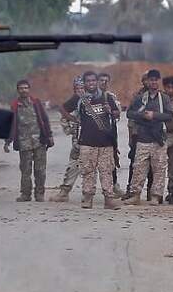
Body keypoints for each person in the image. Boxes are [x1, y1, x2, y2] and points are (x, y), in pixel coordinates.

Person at [63, 71, 121, 210]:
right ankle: (87, 198)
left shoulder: (106, 96)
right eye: (88, 81)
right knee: (88, 171)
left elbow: (117, 113)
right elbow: (63, 109)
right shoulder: (79, 98)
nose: (91, 83)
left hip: (106, 142)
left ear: (97, 82)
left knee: (106, 171)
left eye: (93, 81)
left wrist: (110, 111)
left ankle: (109, 199)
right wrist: (75, 120)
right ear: (84, 83)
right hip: (87, 142)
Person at [123, 69, 173, 206]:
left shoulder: (164, 99)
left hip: (158, 140)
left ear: (159, 82)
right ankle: (135, 195)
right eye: (151, 80)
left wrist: (154, 116)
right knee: (139, 168)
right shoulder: (140, 98)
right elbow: (129, 114)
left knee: (159, 169)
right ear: (147, 81)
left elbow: (170, 116)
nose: (153, 82)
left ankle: (156, 196)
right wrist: (143, 115)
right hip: (143, 138)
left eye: (156, 80)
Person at [4, 80, 54, 202]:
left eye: (26, 88)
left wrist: (49, 136)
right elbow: (11, 125)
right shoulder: (15, 106)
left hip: (39, 142)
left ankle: (39, 194)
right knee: (25, 171)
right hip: (23, 143)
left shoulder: (36, 103)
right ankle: (26, 194)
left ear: (29, 89)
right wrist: (7, 141)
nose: (24, 90)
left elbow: (45, 120)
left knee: (40, 170)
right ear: (18, 90)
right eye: (21, 88)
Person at [50, 76, 85, 202]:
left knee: (104, 167)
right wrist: (73, 121)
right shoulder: (75, 100)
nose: (80, 91)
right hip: (79, 140)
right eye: (77, 88)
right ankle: (64, 192)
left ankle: (111, 191)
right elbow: (62, 110)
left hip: (97, 140)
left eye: (82, 88)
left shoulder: (95, 98)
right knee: (74, 164)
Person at [97, 72, 125, 197]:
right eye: (102, 80)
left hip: (110, 135)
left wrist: (110, 111)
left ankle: (113, 186)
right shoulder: (91, 97)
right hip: (93, 135)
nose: (104, 83)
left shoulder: (110, 97)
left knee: (111, 162)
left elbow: (117, 114)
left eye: (106, 81)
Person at [126, 72, 150, 193]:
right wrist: (130, 137)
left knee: (152, 166)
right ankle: (130, 190)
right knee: (134, 163)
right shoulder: (136, 96)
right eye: (145, 80)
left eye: (149, 80)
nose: (147, 82)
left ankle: (151, 192)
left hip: (153, 134)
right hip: (137, 133)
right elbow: (130, 117)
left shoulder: (159, 96)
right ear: (142, 81)